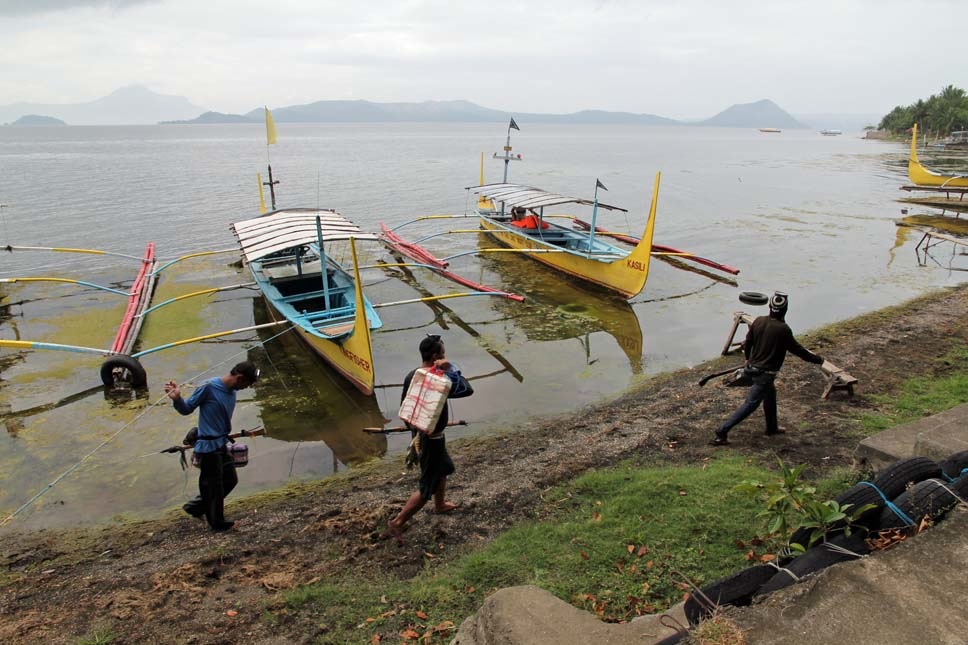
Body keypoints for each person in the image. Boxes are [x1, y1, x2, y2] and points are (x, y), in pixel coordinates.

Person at [387, 335, 473, 543]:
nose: (445, 357)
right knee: (428, 485)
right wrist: (450, 369)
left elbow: (406, 408)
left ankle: (440, 505)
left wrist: (415, 434)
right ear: (436, 357)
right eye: (443, 354)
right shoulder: (439, 380)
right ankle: (397, 522)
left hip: (424, 435)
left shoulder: (413, 376)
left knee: (442, 469)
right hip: (431, 439)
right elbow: (467, 389)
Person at [711, 292, 823, 446]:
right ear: (785, 309)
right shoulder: (783, 329)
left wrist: (747, 359)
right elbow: (798, 351)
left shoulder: (759, 321)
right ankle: (722, 431)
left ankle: (772, 428)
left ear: (770, 307)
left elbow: (748, 342)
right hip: (765, 374)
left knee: (770, 395)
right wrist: (818, 360)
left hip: (752, 368)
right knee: (750, 404)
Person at [164, 361, 260, 531]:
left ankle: (195, 508)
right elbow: (187, 409)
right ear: (240, 378)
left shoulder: (232, 390)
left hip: (221, 443)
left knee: (230, 479)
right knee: (214, 488)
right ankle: (218, 524)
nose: (247, 387)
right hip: (207, 448)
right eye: (247, 384)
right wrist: (177, 398)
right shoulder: (208, 387)